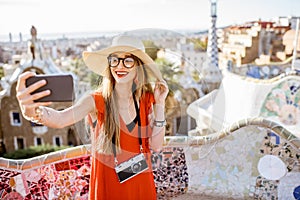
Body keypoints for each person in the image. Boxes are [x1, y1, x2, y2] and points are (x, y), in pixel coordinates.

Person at [16, 34, 169, 199]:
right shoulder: (96, 101)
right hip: (109, 185)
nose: (120, 66)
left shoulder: (146, 99)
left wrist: (160, 104)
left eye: (128, 60)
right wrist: (30, 111)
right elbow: (60, 119)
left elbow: (156, 145)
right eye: (115, 60)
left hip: (141, 182)